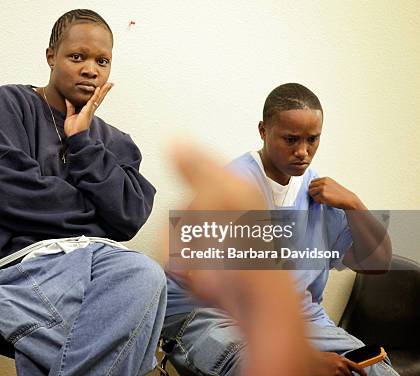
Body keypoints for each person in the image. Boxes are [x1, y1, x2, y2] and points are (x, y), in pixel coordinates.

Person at [0, 9, 166, 375]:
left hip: (85, 264)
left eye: (102, 61)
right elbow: (4, 194)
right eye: (77, 57)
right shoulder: (9, 105)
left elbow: (130, 216)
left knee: (143, 276)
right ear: (51, 56)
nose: (91, 69)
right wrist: (97, 220)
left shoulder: (114, 142)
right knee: (118, 332)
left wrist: (83, 142)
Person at [162, 83, 397, 376]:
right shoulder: (233, 187)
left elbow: (378, 264)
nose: (303, 151)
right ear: (263, 131)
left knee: (376, 371)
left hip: (302, 321)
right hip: (215, 321)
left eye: (313, 139)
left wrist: (354, 205)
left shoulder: (319, 193)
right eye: (290, 139)